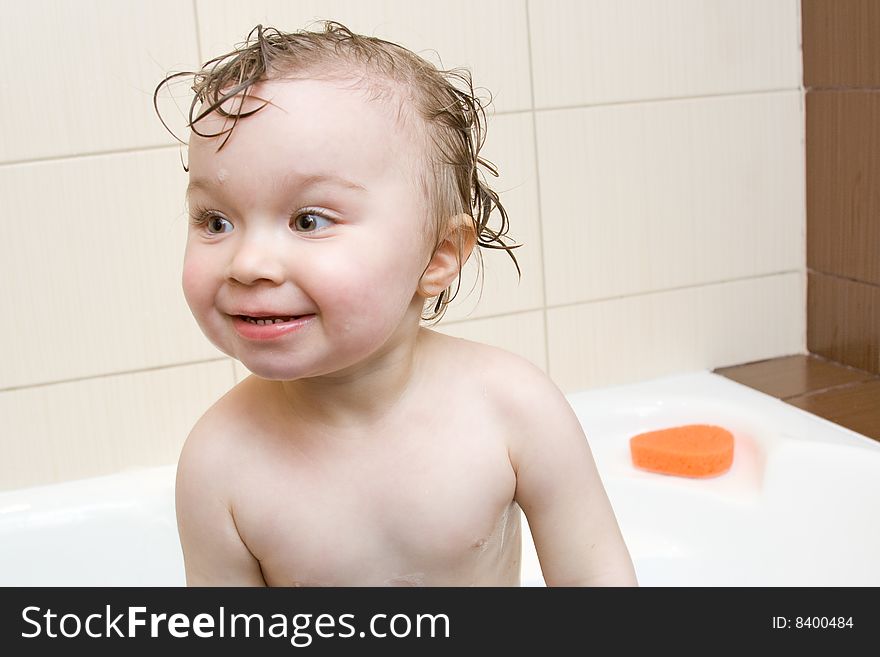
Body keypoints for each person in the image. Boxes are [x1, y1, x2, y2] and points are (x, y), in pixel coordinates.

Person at [153, 21, 637, 587]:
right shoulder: (220, 464)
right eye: (216, 221)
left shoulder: (512, 409)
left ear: (437, 255)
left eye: (309, 220)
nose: (248, 262)